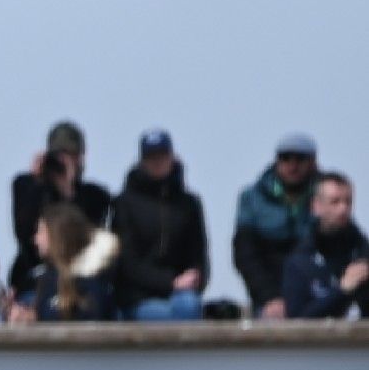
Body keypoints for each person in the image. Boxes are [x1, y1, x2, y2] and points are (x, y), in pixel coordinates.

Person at [108, 129, 210, 322]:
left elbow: (199, 256)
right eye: (151, 157)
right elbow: (128, 264)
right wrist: (170, 282)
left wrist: (195, 279)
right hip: (137, 298)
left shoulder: (189, 205)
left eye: (162, 156)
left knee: (189, 305)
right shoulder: (124, 204)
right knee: (176, 315)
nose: (157, 162)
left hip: (181, 295)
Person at [7, 122, 108, 298]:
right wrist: (37, 182)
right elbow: (23, 234)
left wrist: (68, 191)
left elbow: (84, 238)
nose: (64, 161)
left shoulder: (95, 197)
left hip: (79, 282)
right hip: (33, 281)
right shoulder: (25, 186)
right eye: (59, 155)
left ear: (81, 158)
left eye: (71, 155)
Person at [232, 132, 322, 314]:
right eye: (285, 158)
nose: (292, 165)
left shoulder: (328, 197)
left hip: (316, 294)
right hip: (270, 296)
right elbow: (245, 254)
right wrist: (269, 297)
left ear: (312, 162)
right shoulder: (253, 198)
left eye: (300, 159)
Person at [279, 172, 369, 322]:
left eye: (348, 202)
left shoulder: (363, 252)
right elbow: (297, 320)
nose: (343, 209)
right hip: (321, 344)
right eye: (335, 202)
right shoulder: (301, 262)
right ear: (316, 206)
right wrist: (342, 291)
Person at [10, 201, 118, 324]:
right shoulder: (45, 279)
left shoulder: (90, 278)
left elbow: (89, 320)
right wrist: (28, 318)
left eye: (41, 231)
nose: (36, 240)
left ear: (56, 234)